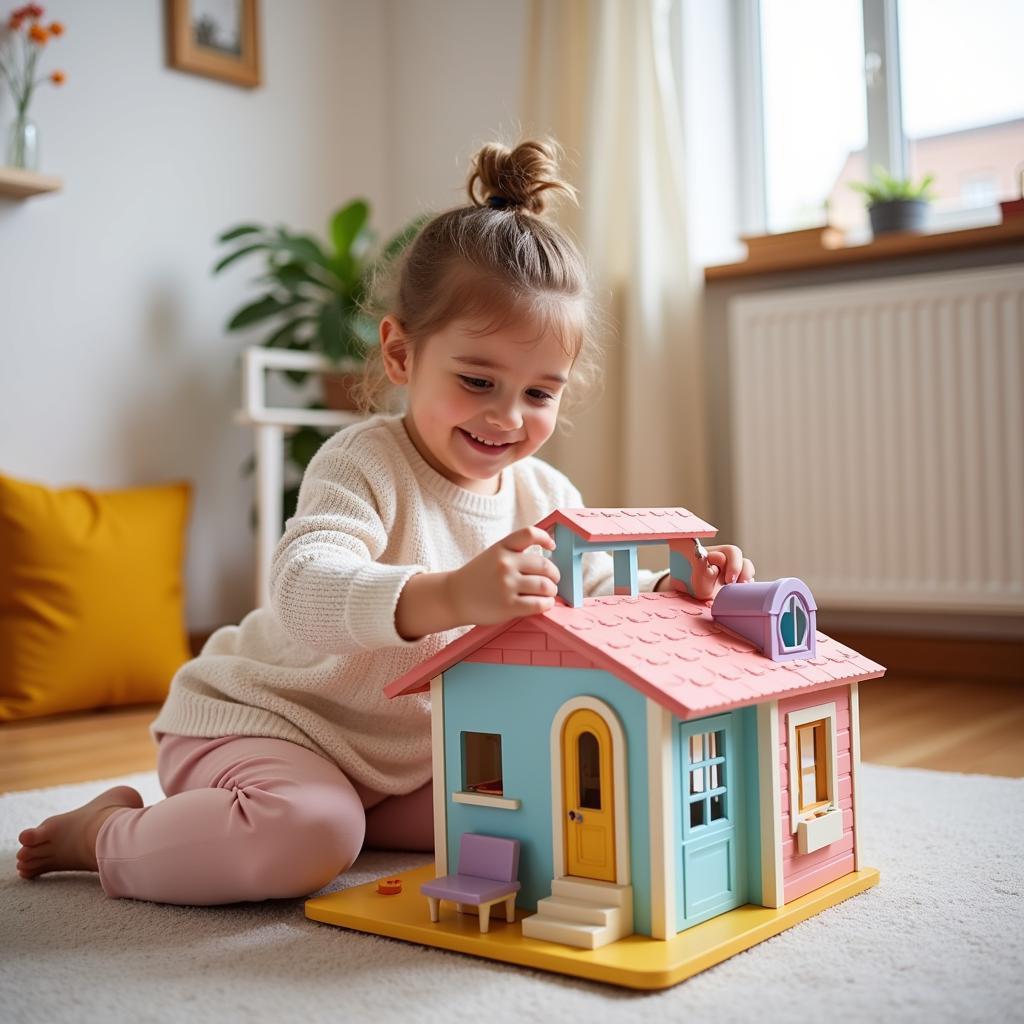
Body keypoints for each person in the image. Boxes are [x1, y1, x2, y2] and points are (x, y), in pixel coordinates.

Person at [16, 139, 754, 905]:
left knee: (543, 805)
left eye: (540, 393)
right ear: (401, 354)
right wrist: (449, 596)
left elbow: (602, 600)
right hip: (267, 721)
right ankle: (105, 833)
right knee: (312, 833)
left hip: (400, 765)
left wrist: (677, 589)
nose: (508, 416)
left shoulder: (546, 493)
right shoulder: (362, 460)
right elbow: (304, 586)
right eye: (477, 381)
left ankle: (340, 813)